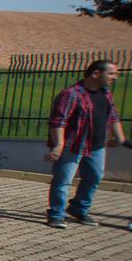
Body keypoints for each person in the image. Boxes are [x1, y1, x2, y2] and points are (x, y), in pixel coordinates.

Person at [44, 60, 126, 229]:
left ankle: (78, 208)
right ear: (96, 74)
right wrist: (58, 145)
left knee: (94, 177)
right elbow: (58, 121)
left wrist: (120, 138)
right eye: (111, 74)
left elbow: (114, 117)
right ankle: (56, 214)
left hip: (96, 147)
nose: (115, 78)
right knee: (63, 180)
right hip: (72, 146)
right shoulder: (71, 94)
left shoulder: (105, 94)